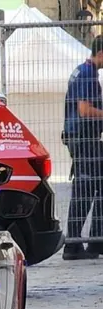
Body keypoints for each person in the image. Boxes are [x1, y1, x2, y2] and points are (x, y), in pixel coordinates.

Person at [62, 35, 103, 260]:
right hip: (84, 138)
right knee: (85, 190)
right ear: (100, 54)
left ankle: (92, 241)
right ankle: (77, 244)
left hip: (81, 138)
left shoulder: (84, 71)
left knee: (89, 188)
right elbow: (85, 110)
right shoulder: (87, 74)